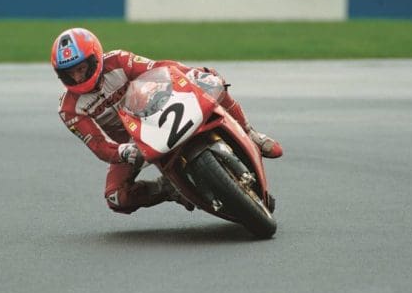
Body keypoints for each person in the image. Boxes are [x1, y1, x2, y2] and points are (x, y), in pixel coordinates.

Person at [52, 28, 283, 215]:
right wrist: (123, 152)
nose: (77, 77)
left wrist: (190, 73)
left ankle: (250, 132)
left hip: (156, 110)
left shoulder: (119, 61)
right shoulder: (69, 109)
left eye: (81, 68)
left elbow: (160, 67)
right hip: (133, 144)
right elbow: (98, 145)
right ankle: (168, 189)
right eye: (70, 73)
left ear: (95, 58)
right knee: (115, 198)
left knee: (210, 77)